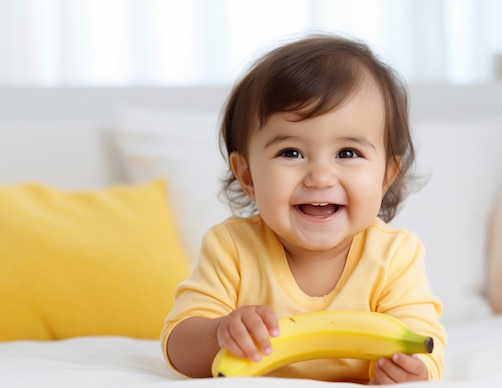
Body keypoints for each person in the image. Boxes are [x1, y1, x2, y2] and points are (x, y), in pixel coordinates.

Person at [160, 33, 447, 384]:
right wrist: (218, 333)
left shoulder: (394, 255)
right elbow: (178, 347)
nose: (321, 176)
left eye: (348, 153)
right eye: (291, 153)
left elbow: (423, 339)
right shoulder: (232, 248)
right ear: (247, 175)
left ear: (386, 174)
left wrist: (413, 372)